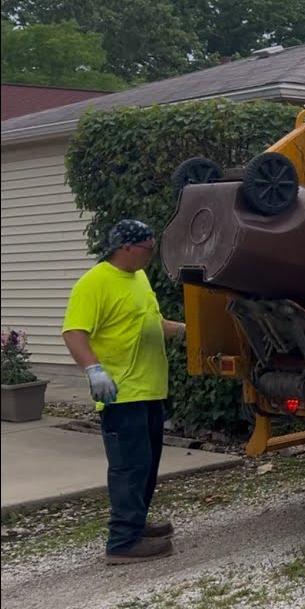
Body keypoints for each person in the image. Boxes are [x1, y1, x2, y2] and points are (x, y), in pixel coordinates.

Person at [61, 219, 185, 564]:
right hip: (121, 392)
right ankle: (122, 542)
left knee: (147, 464)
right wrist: (93, 369)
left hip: (149, 388)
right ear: (125, 248)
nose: (152, 254)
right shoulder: (95, 282)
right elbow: (74, 331)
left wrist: (186, 330)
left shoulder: (139, 278)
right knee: (129, 466)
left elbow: (150, 322)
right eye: (148, 248)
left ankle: (136, 524)